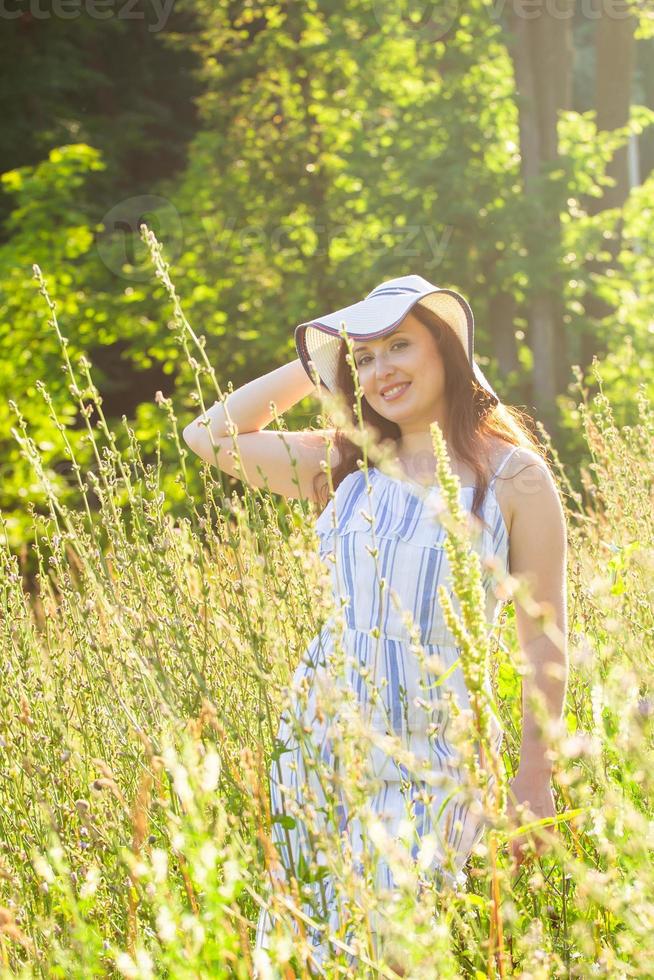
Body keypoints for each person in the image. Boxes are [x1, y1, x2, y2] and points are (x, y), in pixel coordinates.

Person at [182, 275, 568, 975]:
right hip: (318, 747)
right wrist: (315, 362)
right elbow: (207, 434)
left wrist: (533, 777)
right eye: (363, 358)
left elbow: (544, 637)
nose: (382, 368)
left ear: (446, 351)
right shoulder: (342, 464)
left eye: (399, 345)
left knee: (392, 953)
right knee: (300, 952)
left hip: (436, 760)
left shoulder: (512, 478)